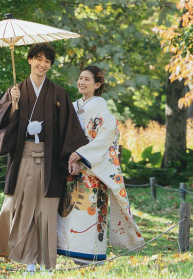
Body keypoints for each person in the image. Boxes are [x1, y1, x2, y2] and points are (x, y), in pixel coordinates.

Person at [0, 42, 86, 272]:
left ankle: (44, 261)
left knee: (45, 208)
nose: (43, 64)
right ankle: (24, 258)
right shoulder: (16, 91)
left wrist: (74, 158)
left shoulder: (58, 93)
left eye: (47, 61)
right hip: (23, 156)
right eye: (39, 59)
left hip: (49, 158)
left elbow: (69, 127)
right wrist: (13, 106)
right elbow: (0, 120)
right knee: (19, 205)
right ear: (29, 60)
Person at [56, 64, 145, 265]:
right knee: (72, 213)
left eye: (87, 79)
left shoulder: (100, 106)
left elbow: (107, 134)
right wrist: (71, 156)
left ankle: (91, 257)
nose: (81, 82)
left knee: (90, 213)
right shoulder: (75, 105)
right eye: (80, 78)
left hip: (92, 169)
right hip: (74, 167)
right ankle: (73, 254)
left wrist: (81, 154)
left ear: (97, 84)